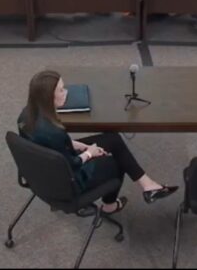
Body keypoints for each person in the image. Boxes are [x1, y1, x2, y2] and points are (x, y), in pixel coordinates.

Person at [17, 70, 178, 214]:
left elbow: (51, 146)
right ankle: (109, 206)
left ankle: (148, 185)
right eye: (61, 90)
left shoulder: (26, 115)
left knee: (112, 140)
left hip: (44, 171)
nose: (66, 92)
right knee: (117, 161)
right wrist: (89, 153)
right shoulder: (52, 131)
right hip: (68, 180)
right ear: (47, 96)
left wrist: (83, 146)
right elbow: (71, 163)